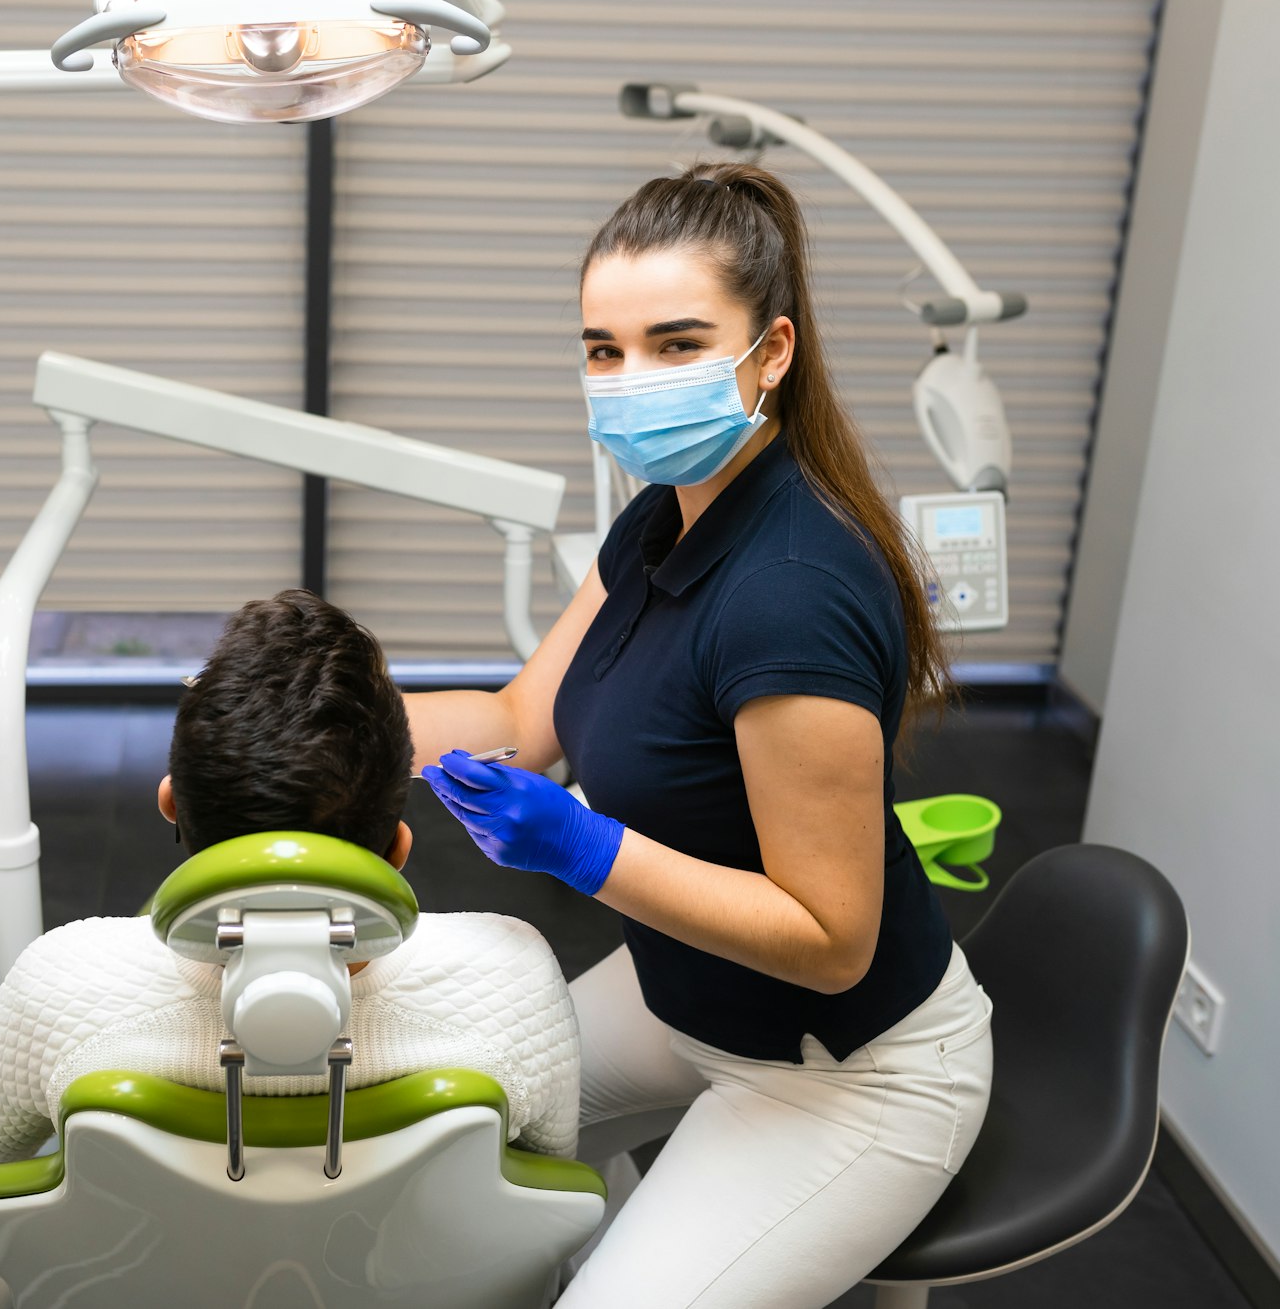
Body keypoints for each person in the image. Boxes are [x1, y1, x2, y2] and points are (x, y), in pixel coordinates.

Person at [407, 162, 995, 1307]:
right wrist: (313, 705)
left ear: (769, 353)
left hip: (844, 1073)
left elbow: (831, 939)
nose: (627, 381)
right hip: (687, 997)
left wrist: (584, 851)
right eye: (601, 349)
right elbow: (522, 722)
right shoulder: (656, 522)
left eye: (675, 345)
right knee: (421, 1151)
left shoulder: (788, 591)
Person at [0, 589, 579, 1307]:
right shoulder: (514, 981)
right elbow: (539, 1202)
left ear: (172, 802)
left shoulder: (57, 985)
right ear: (398, 844)